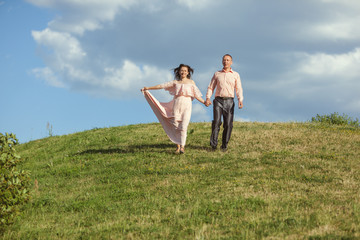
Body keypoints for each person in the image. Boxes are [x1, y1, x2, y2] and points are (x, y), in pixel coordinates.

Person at [141, 64, 206, 154]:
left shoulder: (191, 83)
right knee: (176, 125)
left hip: (187, 105)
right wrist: (148, 88)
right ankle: (178, 146)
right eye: (182, 70)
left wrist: (204, 102)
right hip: (176, 105)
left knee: (183, 126)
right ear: (179, 72)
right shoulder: (175, 82)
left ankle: (182, 146)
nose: (183, 72)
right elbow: (162, 86)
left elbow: (196, 95)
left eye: (185, 71)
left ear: (188, 72)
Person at [205, 54, 244, 151]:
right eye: (224, 60)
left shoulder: (235, 75)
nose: (225, 62)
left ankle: (224, 145)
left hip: (229, 101)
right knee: (217, 122)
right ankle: (214, 144)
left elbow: (238, 88)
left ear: (231, 62)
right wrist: (208, 98)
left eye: (227, 60)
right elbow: (211, 87)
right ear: (222, 61)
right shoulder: (217, 74)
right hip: (218, 100)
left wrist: (240, 100)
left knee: (228, 124)